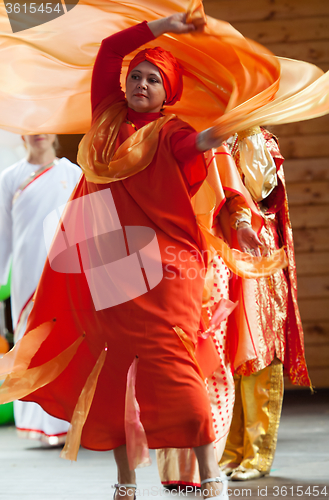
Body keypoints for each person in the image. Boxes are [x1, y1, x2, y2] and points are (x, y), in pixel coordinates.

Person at [219, 126, 311, 481]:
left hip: (255, 246)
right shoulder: (212, 135)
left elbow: (259, 191)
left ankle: (256, 453)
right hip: (221, 248)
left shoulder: (257, 139)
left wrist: (244, 139)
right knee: (228, 351)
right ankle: (230, 450)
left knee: (257, 346)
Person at [0, 134, 81, 445]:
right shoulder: (10, 177)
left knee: (64, 343)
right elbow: (3, 233)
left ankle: (66, 421)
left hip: (63, 270)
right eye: (32, 127)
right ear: (22, 133)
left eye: (46, 126)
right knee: (29, 344)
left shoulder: (72, 173)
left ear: (55, 133)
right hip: (25, 271)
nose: (39, 133)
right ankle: (39, 423)